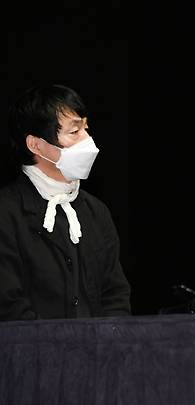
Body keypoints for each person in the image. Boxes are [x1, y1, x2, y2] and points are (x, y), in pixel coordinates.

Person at [0, 84, 131, 321]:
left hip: (99, 355)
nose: (87, 140)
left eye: (86, 129)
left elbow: (115, 294)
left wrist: (110, 343)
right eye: (74, 132)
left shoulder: (96, 211)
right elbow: (8, 302)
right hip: (29, 353)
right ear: (36, 145)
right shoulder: (7, 212)